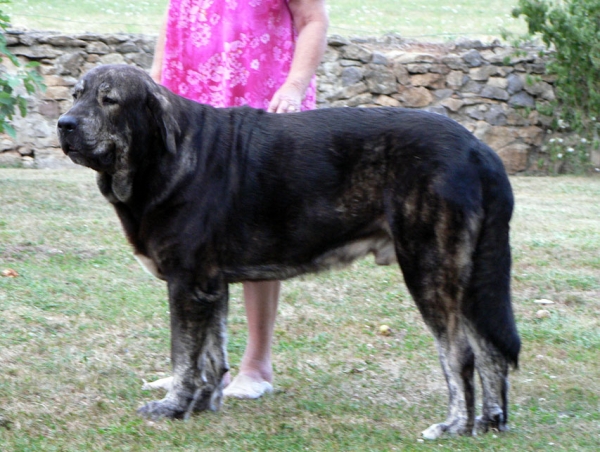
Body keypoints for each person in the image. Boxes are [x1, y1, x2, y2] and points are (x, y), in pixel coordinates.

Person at [146, 0, 329, 400]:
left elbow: (312, 19)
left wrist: (295, 84)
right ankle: (198, 366)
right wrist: (157, 80)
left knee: (257, 232)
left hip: (262, 103)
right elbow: (175, 15)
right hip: (190, 101)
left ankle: (256, 366)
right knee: (189, 239)